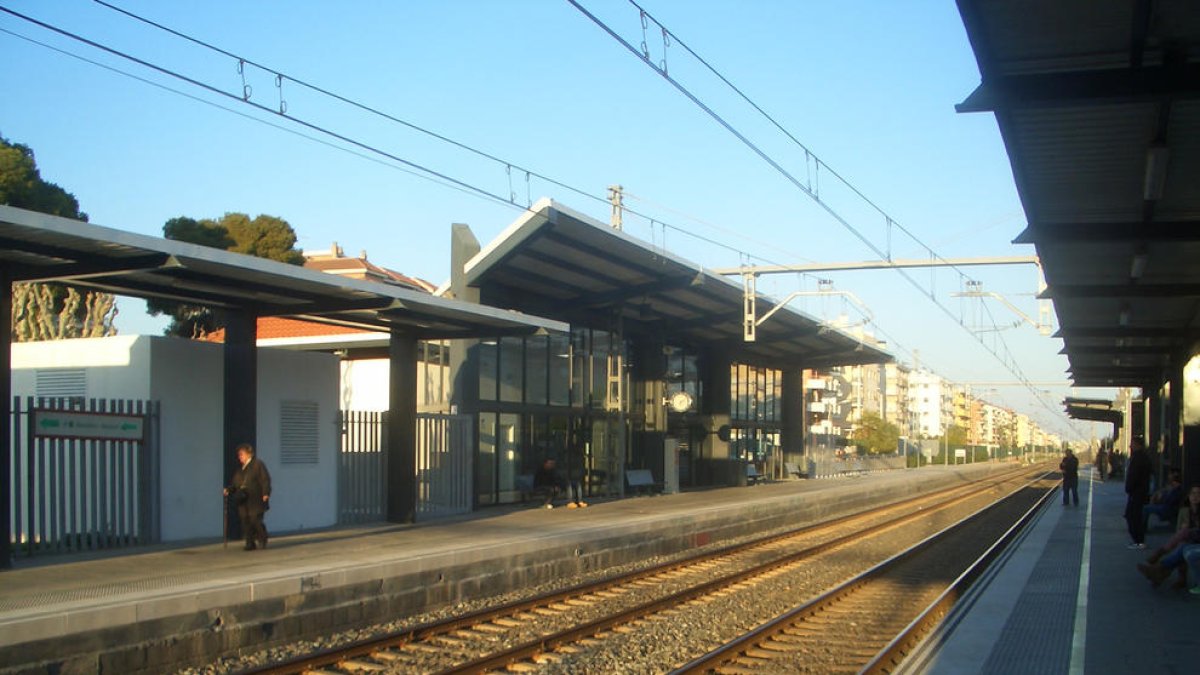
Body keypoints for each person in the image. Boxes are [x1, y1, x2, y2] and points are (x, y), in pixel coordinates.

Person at [1141, 485, 1200, 590]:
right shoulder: (1185, 510)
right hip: (1189, 540)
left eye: (1198, 494)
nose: (1195, 496)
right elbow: (1178, 529)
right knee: (1182, 542)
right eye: (1193, 493)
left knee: (1184, 541)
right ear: (1189, 496)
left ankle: (1160, 566)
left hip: (1194, 541)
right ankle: (1162, 572)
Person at [224, 443, 271, 551]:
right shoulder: (240, 469)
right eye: (239, 455)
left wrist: (266, 493)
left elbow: (265, 480)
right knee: (245, 521)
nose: (240, 457)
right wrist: (229, 490)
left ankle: (262, 538)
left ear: (249, 454)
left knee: (255, 520)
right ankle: (250, 543)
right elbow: (236, 484)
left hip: (256, 499)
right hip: (243, 499)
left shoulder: (258, 465)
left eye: (242, 454)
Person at [1124, 437, 1151, 549]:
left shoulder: (1138, 458)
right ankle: (1139, 541)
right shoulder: (1144, 457)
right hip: (1140, 491)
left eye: (1132, 444)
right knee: (1133, 515)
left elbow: (1134, 476)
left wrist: (1129, 488)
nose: (1130, 446)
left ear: (1138, 445)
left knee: (1133, 516)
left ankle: (1139, 541)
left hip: (1137, 492)